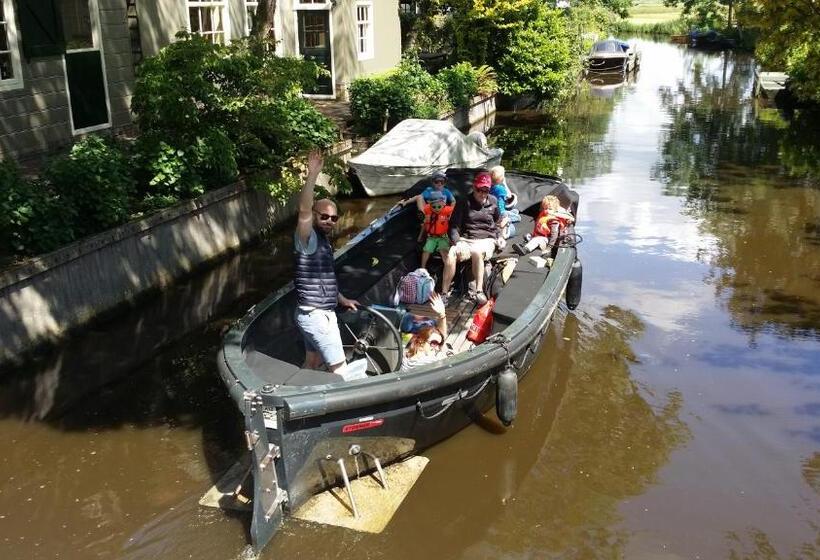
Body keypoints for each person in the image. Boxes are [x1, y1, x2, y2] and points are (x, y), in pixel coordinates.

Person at [294, 149, 359, 374]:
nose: (329, 221)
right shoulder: (307, 239)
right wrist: (312, 174)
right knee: (340, 369)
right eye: (324, 216)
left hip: (313, 313)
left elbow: (324, 277)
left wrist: (341, 298)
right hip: (317, 316)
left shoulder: (323, 242)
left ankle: (295, 400)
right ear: (314, 215)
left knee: (312, 363)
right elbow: (303, 210)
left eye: (333, 218)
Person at [442, 172, 502, 305]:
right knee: (452, 252)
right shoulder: (464, 202)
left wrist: (500, 236)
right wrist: (458, 242)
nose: (482, 193)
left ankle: (478, 291)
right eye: (479, 189)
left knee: (477, 251)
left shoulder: (493, 201)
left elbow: (498, 222)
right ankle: (444, 293)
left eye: (485, 190)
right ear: (474, 188)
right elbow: (453, 227)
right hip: (467, 239)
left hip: (486, 239)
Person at [512, 195, 575, 260]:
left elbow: (554, 235)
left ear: (555, 209)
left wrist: (549, 248)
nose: (547, 210)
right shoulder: (544, 214)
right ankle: (526, 244)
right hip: (539, 236)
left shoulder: (553, 221)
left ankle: (525, 250)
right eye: (545, 208)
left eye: (549, 209)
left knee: (537, 240)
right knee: (527, 236)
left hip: (547, 240)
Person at [402, 293, 448, 370]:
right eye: (434, 343)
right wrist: (442, 315)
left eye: (439, 344)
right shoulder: (427, 361)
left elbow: (440, 336)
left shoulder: (407, 355)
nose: (437, 348)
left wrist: (442, 315)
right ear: (421, 342)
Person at [420, 191, 454, 270]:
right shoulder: (427, 210)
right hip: (431, 237)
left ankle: (448, 269)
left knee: (444, 252)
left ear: (443, 204)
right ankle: (422, 268)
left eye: (439, 207)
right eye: (434, 207)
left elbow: (456, 209)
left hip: (443, 237)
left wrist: (451, 217)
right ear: (430, 205)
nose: (436, 209)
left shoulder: (447, 210)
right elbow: (423, 219)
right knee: (426, 250)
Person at [489, 165, 514, 239]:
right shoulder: (500, 189)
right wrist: (504, 183)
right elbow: (509, 195)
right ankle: (507, 222)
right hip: (501, 212)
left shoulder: (488, 186)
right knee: (517, 217)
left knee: (514, 211)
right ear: (501, 178)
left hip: (492, 210)